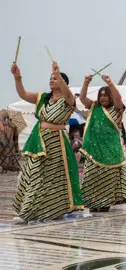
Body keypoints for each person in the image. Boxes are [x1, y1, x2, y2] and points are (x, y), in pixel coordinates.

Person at [11, 62, 83, 223]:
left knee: (54, 177)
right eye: (50, 78)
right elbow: (23, 94)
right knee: (34, 174)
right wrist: (17, 78)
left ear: (63, 83)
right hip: (39, 140)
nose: (51, 80)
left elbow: (70, 96)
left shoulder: (67, 100)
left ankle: (54, 209)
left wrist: (59, 75)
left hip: (57, 142)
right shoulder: (43, 98)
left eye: (55, 78)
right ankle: (26, 212)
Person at [79, 74, 126, 212]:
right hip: (94, 149)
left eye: (105, 95)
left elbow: (118, 98)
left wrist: (110, 83)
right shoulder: (94, 107)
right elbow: (82, 98)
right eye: (101, 95)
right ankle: (93, 202)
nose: (103, 97)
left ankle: (105, 202)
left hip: (111, 149)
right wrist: (86, 82)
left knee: (108, 177)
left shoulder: (116, 108)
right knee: (92, 176)